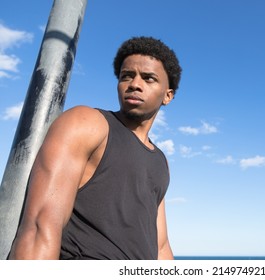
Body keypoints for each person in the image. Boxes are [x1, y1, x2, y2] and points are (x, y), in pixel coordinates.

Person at [8, 36, 182, 260]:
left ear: (167, 95)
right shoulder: (87, 122)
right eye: (126, 76)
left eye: (149, 79)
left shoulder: (160, 161)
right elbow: (41, 226)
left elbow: (161, 246)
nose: (134, 84)